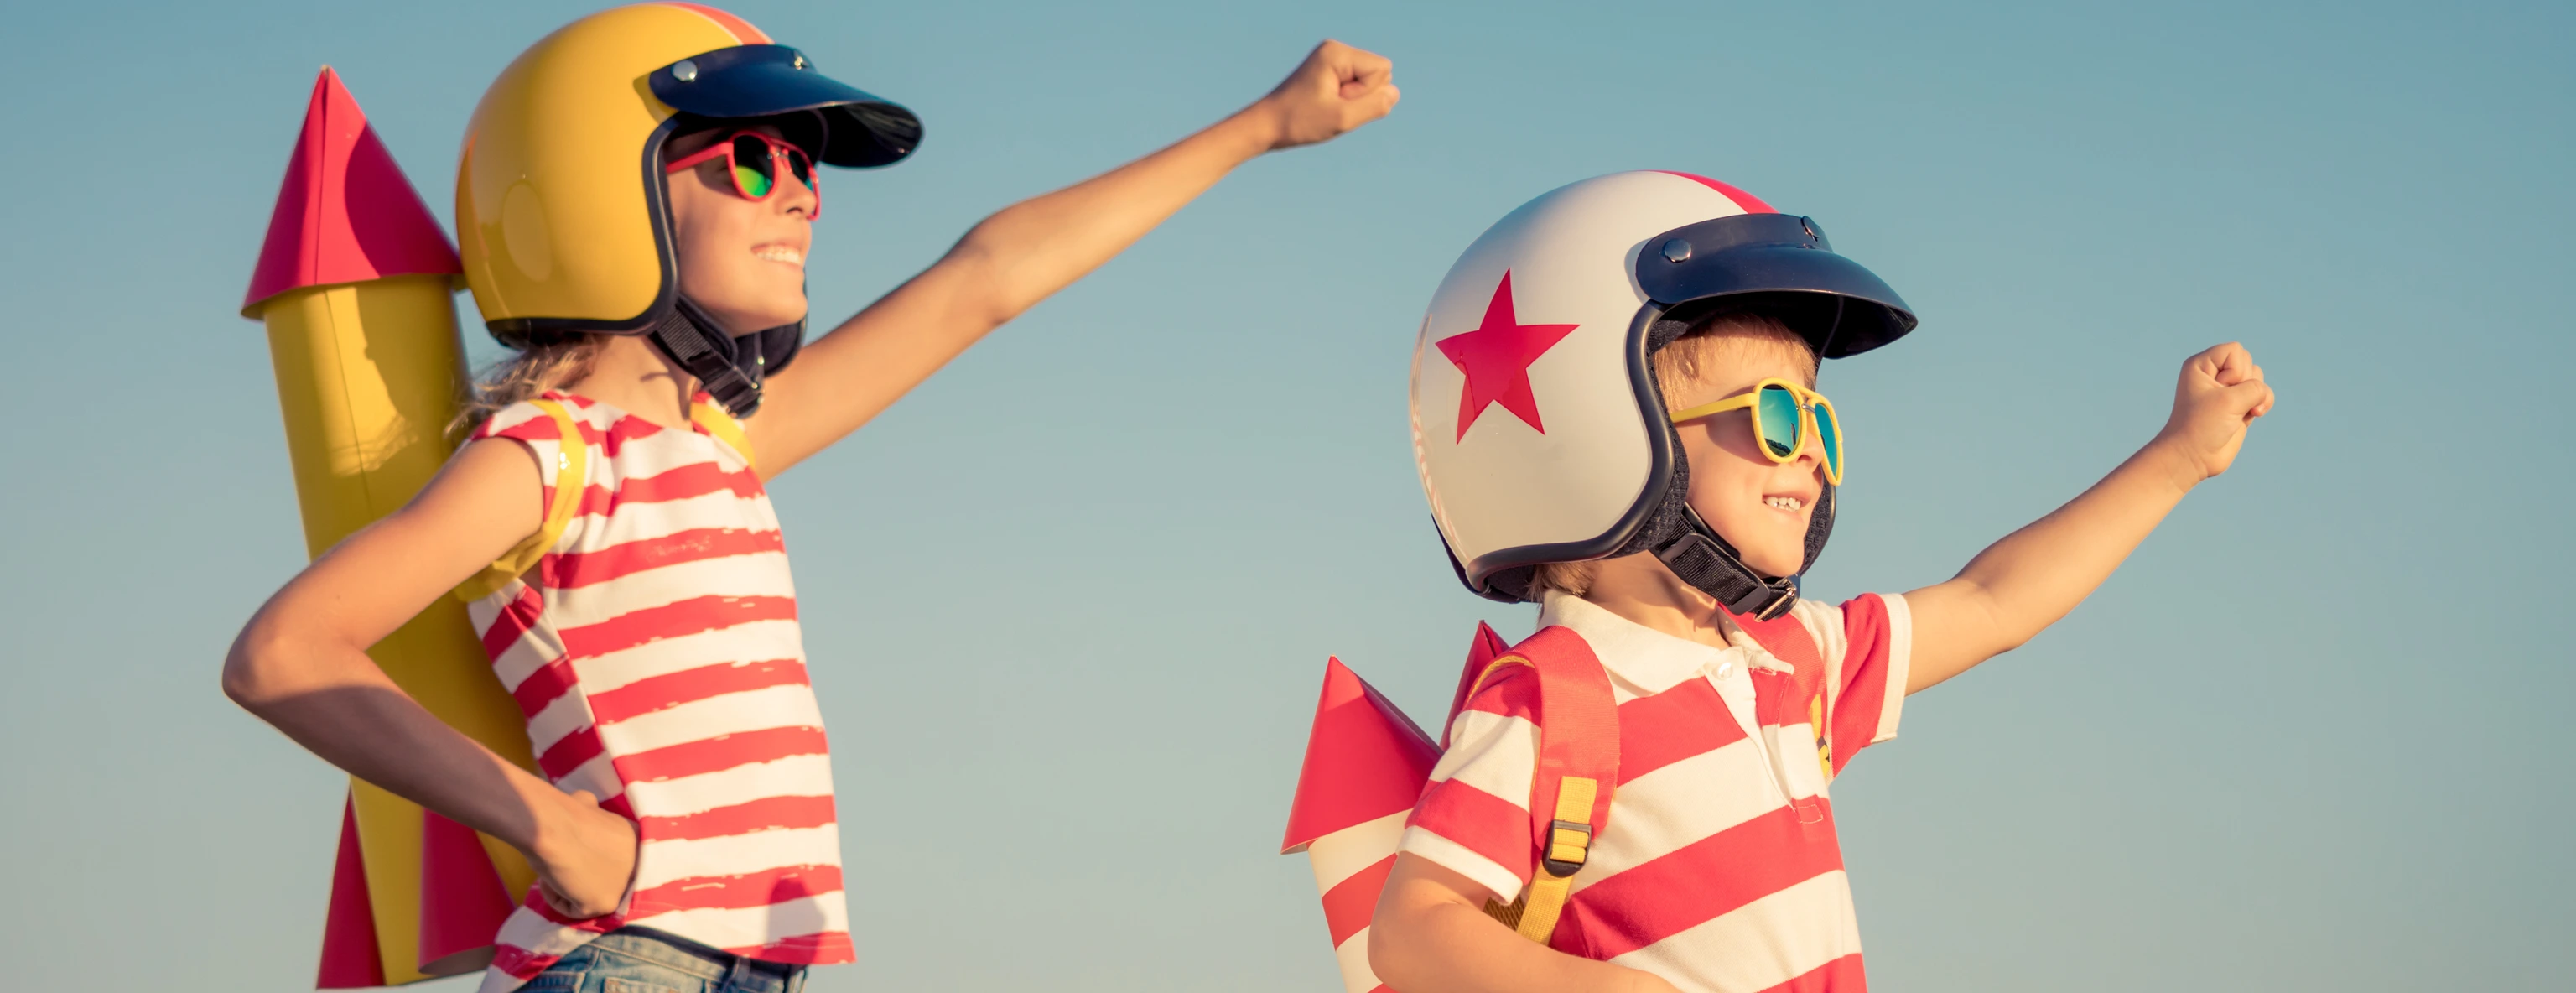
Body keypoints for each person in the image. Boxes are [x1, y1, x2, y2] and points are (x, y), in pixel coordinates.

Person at [221, 6, 1397, 992]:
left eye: (804, 168)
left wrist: (1261, 128)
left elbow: (981, 282)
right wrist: (558, 831)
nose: (802, 197)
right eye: (749, 159)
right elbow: (282, 653)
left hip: (746, 965)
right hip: (629, 963)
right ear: (593, 189)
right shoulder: (553, 454)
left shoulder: (724, 445)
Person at [1363, 171, 2273, 992]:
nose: (1808, 450)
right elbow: (1413, 931)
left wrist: (2178, 457)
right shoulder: (1549, 697)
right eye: (1770, 413)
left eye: (1817, 417)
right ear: (1597, 428)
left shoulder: (1789, 660)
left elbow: (1994, 601)